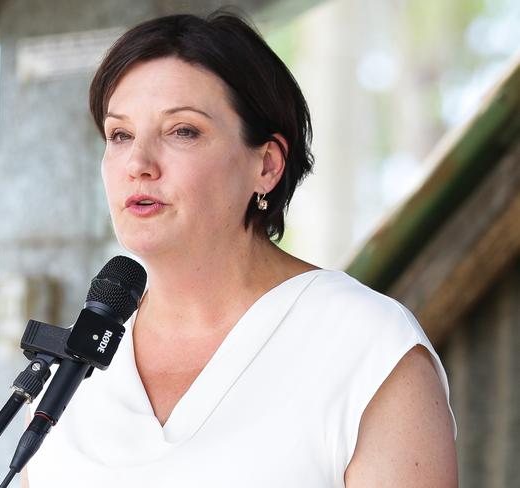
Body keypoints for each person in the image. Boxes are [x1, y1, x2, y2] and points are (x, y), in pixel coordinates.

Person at [25, 8, 457, 487]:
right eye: (120, 134)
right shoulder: (70, 374)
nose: (138, 163)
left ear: (267, 165)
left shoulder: (368, 348)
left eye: (182, 131)